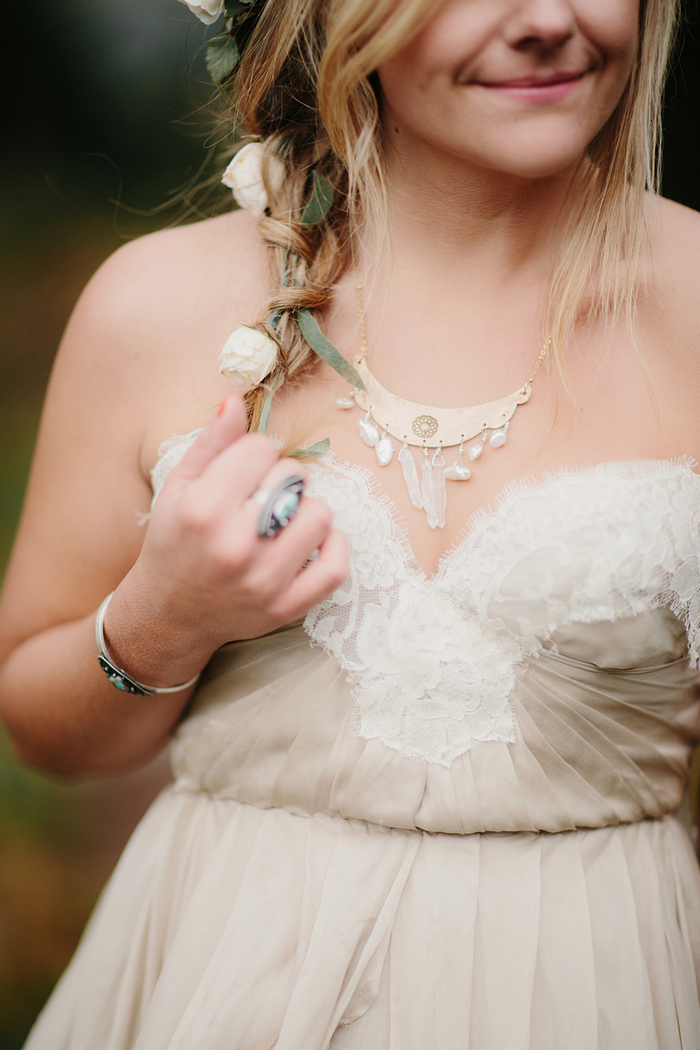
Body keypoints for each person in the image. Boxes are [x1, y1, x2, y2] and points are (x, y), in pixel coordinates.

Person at [2, 0, 700, 1045]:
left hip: (596, 990)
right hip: (222, 980)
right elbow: (41, 727)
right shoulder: (154, 305)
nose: (549, 21)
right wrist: (163, 619)